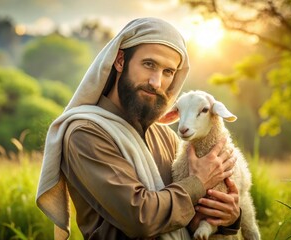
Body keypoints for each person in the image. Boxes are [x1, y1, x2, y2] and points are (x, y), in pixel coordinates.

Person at [36, 17, 241, 240]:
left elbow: (184, 215)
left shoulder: (164, 134)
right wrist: (198, 183)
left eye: (168, 72)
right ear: (120, 60)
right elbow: (140, 219)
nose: (156, 82)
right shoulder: (85, 133)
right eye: (149, 64)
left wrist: (227, 216)